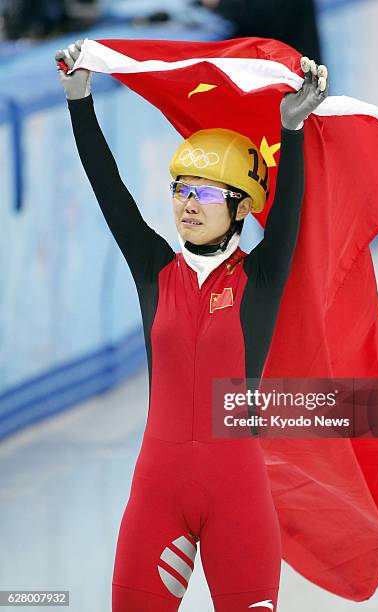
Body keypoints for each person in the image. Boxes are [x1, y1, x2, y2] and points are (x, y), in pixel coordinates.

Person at [55, 39, 328, 612]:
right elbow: (112, 194)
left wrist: (291, 131)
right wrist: (81, 102)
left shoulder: (263, 279)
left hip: (239, 495)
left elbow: (293, 210)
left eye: (204, 192)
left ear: (241, 206)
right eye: (180, 188)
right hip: (159, 488)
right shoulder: (154, 271)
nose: (187, 203)